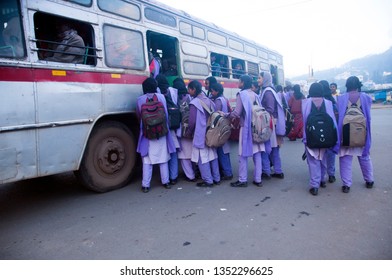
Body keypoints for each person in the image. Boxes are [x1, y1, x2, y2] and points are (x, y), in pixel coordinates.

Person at [136, 78, 176, 193]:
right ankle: (166, 182)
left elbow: (139, 116)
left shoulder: (140, 100)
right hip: (161, 132)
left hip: (147, 133)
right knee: (163, 158)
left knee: (147, 160)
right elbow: (166, 115)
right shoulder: (161, 97)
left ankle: (146, 185)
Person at [337, 76, 374, 193]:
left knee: (345, 158)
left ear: (347, 85)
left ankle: (346, 184)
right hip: (361, 132)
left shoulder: (341, 98)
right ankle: (369, 180)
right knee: (364, 157)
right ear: (359, 84)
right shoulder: (366, 97)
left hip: (346, 132)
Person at [226, 75, 264, 187]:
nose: (238, 83)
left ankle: (243, 179)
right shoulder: (255, 95)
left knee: (242, 154)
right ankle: (258, 179)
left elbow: (237, 113)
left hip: (246, 127)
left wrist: (227, 115)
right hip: (257, 127)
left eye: (239, 81)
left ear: (242, 83)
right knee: (257, 154)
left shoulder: (241, 95)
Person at [302, 83, 339, 196]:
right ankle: (322, 180)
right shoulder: (327, 103)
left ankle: (315, 186)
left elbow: (305, 121)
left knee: (313, 161)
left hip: (311, 136)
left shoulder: (305, 103)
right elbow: (332, 121)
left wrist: (305, 138)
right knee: (323, 158)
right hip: (325, 137)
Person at [184, 80, 220, 187]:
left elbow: (191, 122)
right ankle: (216, 178)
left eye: (189, 89)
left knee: (202, 158)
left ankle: (208, 180)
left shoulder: (194, 103)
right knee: (212, 155)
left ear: (193, 89)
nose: (188, 92)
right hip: (211, 132)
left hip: (200, 134)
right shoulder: (209, 100)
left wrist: (189, 132)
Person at [258, 71, 286, 180]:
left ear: (265, 79)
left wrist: (258, 113)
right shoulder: (269, 90)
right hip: (272, 123)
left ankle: (266, 171)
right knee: (274, 148)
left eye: (259, 78)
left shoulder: (267, 92)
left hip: (268, 124)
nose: (258, 80)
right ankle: (278, 171)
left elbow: (270, 109)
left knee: (265, 148)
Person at [156, 74, 181, 185]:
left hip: (161, 127)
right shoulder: (173, 91)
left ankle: (165, 178)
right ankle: (173, 177)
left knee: (164, 153)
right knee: (173, 152)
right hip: (172, 126)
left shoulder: (157, 94)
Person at [173, 77, 196, 182]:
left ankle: (190, 175)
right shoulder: (190, 98)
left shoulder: (173, 98)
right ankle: (195, 172)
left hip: (180, 130)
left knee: (183, 154)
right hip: (191, 128)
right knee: (192, 151)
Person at [210, 83, 234, 180]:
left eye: (212, 91)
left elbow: (215, 114)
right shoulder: (224, 99)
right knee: (225, 151)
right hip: (225, 126)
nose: (211, 93)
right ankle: (228, 171)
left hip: (219, 128)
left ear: (217, 91)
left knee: (221, 151)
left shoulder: (218, 101)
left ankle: (227, 173)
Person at [319, 80, 338, 183]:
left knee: (321, 154)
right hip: (331, 130)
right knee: (331, 153)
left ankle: (322, 176)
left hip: (319, 131)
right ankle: (331, 174)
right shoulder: (331, 100)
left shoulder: (316, 100)